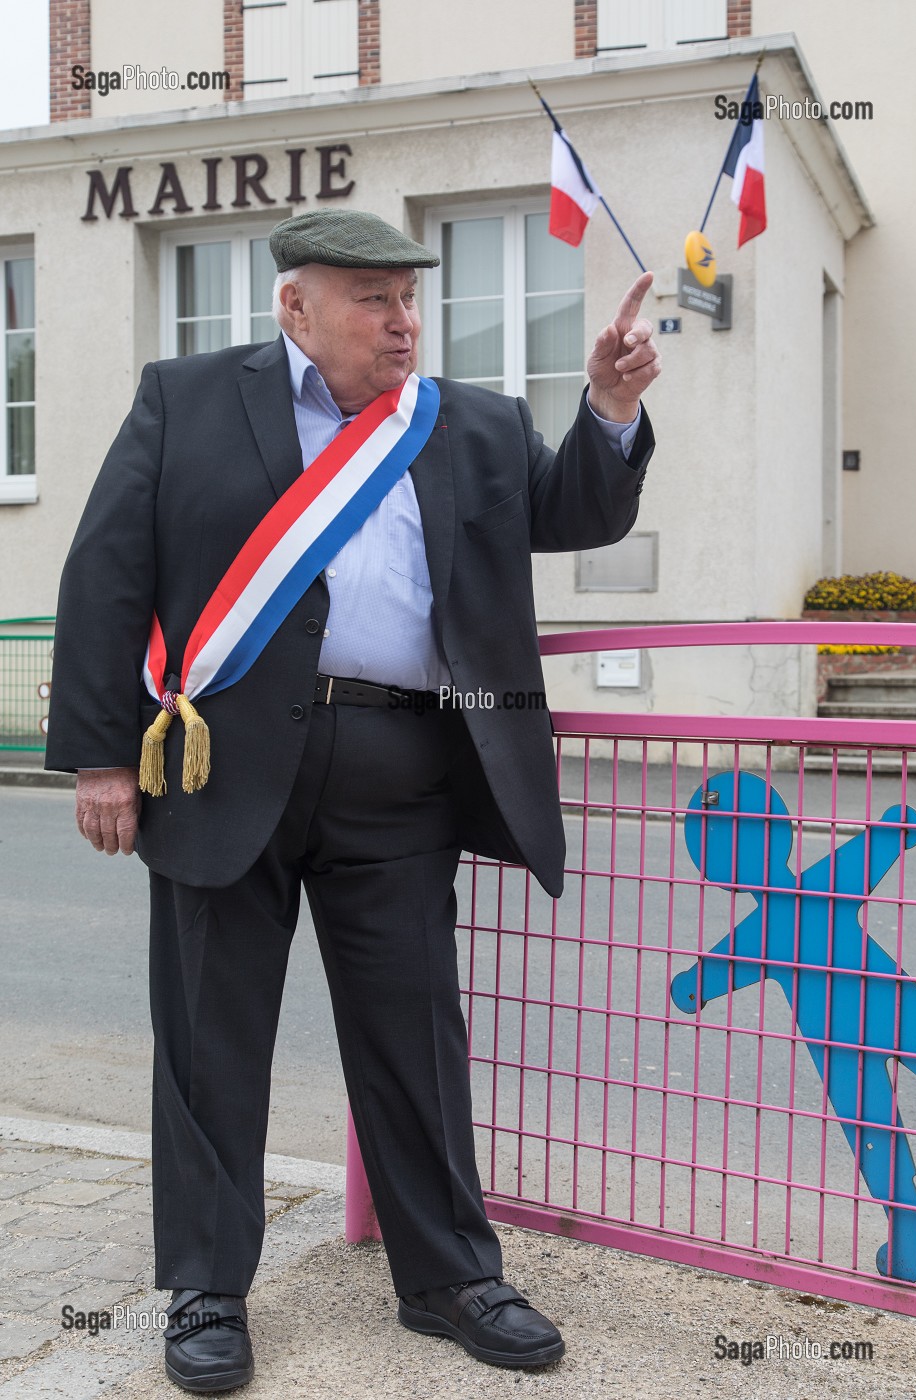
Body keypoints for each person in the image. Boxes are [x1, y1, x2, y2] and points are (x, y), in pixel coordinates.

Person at [46, 208, 660, 1392]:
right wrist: (100, 756)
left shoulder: (470, 421)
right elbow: (108, 567)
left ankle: (449, 1275)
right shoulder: (186, 398)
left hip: (405, 769)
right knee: (210, 1035)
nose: (403, 319)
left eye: (409, 297)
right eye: (374, 297)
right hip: (223, 767)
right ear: (297, 307)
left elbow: (576, 512)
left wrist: (611, 410)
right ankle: (208, 1288)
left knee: (413, 1029)